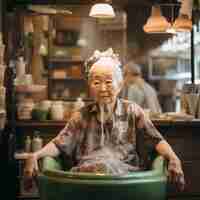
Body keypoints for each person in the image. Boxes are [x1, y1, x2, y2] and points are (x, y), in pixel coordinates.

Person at [24, 49, 184, 191]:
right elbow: (59, 143)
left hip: (125, 182)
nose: (102, 88)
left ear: (120, 85)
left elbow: (155, 139)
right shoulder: (81, 116)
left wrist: (173, 158)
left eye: (108, 82)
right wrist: (35, 155)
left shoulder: (132, 111)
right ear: (89, 86)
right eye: (96, 82)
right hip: (87, 182)